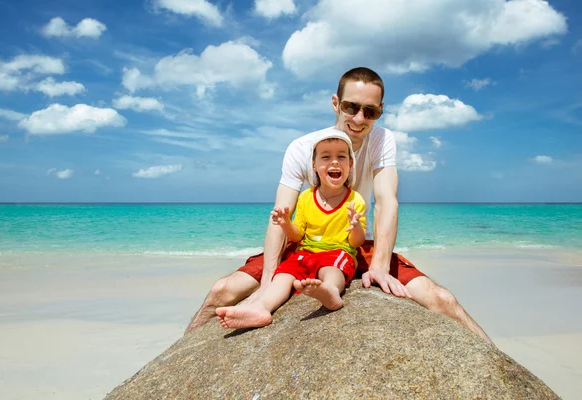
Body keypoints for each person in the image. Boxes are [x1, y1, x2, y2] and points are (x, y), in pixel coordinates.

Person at [186, 67, 492, 343]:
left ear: (380, 112)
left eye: (370, 112)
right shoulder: (303, 148)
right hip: (308, 246)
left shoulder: (382, 141)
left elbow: (387, 201)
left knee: (442, 299)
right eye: (351, 107)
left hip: (354, 243)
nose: (359, 119)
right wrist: (266, 280)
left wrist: (381, 267)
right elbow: (281, 214)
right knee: (221, 291)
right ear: (336, 103)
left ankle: (501, 368)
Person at [216, 130, 366, 329]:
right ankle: (261, 308)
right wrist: (286, 223)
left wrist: (355, 227)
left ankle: (330, 292)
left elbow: (356, 242)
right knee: (283, 274)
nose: (335, 162)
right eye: (326, 156)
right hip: (305, 252)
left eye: (341, 156)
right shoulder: (306, 197)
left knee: (333, 269)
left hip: (337, 252)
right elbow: (298, 235)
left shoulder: (355, 200)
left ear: (351, 163)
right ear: (313, 165)